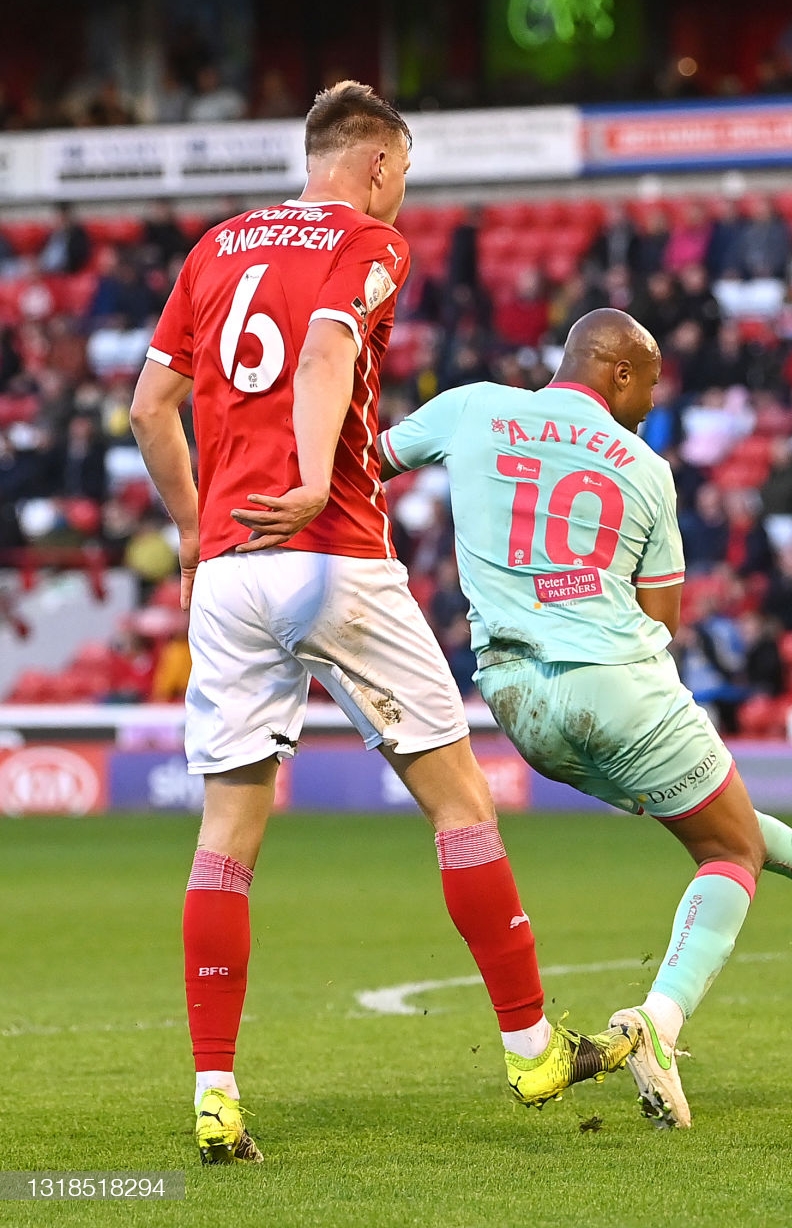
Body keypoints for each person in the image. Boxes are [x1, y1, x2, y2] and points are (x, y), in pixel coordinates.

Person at [127, 82, 614, 1164]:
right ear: (381, 165)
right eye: (406, 175)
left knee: (226, 839)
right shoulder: (369, 243)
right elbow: (323, 354)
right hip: (332, 551)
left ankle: (215, 1092)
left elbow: (147, 410)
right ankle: (531, 1044)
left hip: (231, 572)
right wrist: (308, 479)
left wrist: (200, 532)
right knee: (458, 800)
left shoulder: (214, 246)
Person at [381, 309, 792, 1128]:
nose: (651, 401)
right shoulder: (646, 468)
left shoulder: (470, 406)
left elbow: (363, 462)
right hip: (616, 683)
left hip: (514, 700)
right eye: (648, 382)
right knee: (728, 848)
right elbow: (665, 614)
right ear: (618, 371)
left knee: (720, 822)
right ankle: (659, 1022)